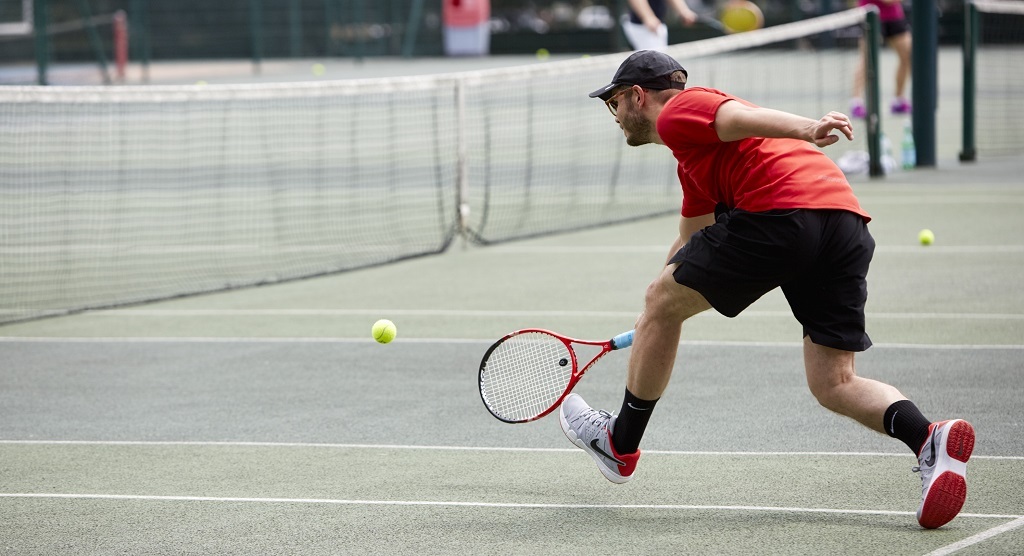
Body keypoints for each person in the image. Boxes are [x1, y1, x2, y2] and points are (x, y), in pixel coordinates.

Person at [560, 50, 974, 530]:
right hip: (842, 223)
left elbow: (736, 117)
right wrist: (656, 306)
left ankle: (619, 444)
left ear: (638, 96)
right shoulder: (694, 161)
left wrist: (806, 127)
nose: (615, 116)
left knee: (662, 303)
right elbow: (693, 238)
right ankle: (929, 438)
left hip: (781, 215)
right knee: (834, 383)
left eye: (614, 103)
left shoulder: (677, 111)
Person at [850, 0, 913, 117]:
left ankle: (898, 101)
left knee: (907, 55)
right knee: (867, 59)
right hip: (871, 15)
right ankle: (856, 103)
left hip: (894, 16)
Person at [622, 0, 699, 51]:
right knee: (652, 65)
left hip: (658, 25)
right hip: (643, 27)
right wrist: (648, 17)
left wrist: (684, 11)